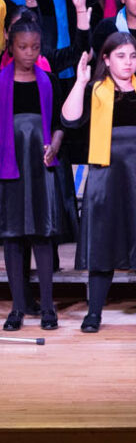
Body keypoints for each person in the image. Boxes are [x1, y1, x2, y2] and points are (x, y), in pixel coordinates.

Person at [61, 35, 136, 332]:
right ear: (107, 59)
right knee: (102, 242)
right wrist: (79, 82)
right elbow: (69, 119)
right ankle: (94, 313)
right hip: (106, 174)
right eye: (121, 56)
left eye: (133, 56)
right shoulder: (95, 89)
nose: (128, 62)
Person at [0, 18, 70, 331]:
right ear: (10, 47)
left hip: (40, 167)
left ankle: (47, 308)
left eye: (35, 47)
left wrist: (54, 144)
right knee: (13, 236)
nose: (29, 53)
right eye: (23, 47)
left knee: (42, 234)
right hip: (10, 168)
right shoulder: (1, 80)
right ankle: (17, 308)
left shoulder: (49, 81)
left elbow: (59, 123)